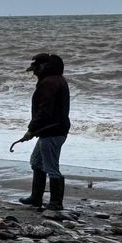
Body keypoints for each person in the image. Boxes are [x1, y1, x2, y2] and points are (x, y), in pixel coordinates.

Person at [16, 53, 71, 211]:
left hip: (52, 130)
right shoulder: (56, 80)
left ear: (42, 67)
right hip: (52, 130)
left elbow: (44, 110)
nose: (33, 73)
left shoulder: (49, 83)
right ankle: (36, 198)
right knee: (37, 162)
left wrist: (31, 129)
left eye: (35, 69)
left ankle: (56, 203)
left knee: (51, 167)